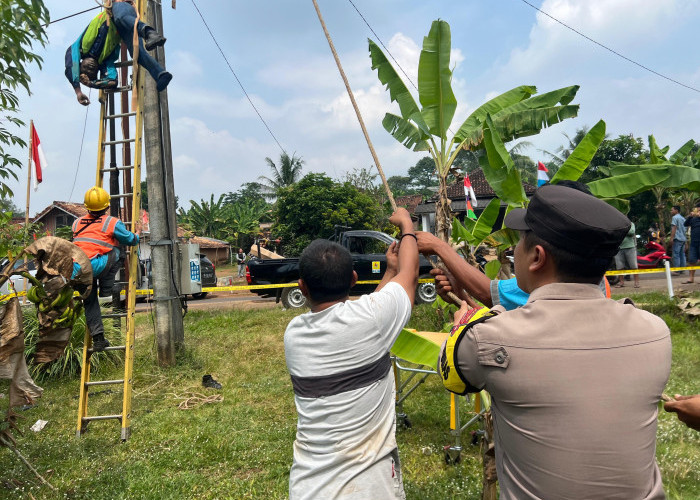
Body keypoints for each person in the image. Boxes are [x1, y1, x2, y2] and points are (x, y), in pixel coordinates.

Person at [437, 185, 671, 499]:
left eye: (520, 240)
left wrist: (463, 323)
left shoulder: (488, 339)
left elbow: (453, 376)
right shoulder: (655, 332)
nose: (514, 249)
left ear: (537, 257)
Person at [284, 208, 418, 500]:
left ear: (302, 287)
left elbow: (370, 312)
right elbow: (411, 276)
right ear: (354, 279)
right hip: (371, 488)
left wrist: (390, 273)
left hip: (309, 488)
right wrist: (407, 224)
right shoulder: (372, 320)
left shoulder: (293, 334)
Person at [65, 0, 171, 106]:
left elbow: (71, 66)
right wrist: (90, 83)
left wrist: (78, 91)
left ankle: (149, 33)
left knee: (120, 18)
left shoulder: (79, 49)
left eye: (85, 68)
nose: (90, 68)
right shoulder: (105, 62)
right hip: (122, 30)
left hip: (117, 8)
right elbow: (112, 81)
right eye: (92, 72)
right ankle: (161, 74)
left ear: (80, 64)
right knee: (137, 54)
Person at [72, 186, 139, 351]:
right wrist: (137, 233)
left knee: (90, 303)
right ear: (107, 206)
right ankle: (106, 288)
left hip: (75, 270)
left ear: (86, 206)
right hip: (95, 267)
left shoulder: (76, 223)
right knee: (119, 250)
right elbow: (130, 240)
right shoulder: (111, 222)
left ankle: (99, 339)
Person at [614, 220, 640, 288]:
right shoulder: (616, 223)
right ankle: (621, 282)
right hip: (619, 247)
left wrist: (621, 229)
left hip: (630, 247)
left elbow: (631, 232)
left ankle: (636, 282)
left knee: (633, 266)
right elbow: (614, 233)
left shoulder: (630, 224)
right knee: (619, 266)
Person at [683, 203, 700, 283]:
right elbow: (685, 224)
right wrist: (690, 216)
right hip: (693, 243)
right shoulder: (693, 219)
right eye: (697, 209)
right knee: (692, 261)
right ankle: (691, 278)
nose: (698, 211)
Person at [670, 205, 687, 275]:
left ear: (676, 210)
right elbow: (685, 229)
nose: (671, 211)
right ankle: (682, 270)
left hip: (677, 238)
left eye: (672, 210)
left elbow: (674, 227)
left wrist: (671, 238)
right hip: (683, 238)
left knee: (676, 254)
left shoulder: (674, 217)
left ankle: (676, 270)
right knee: (682, 254)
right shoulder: (683, 218)